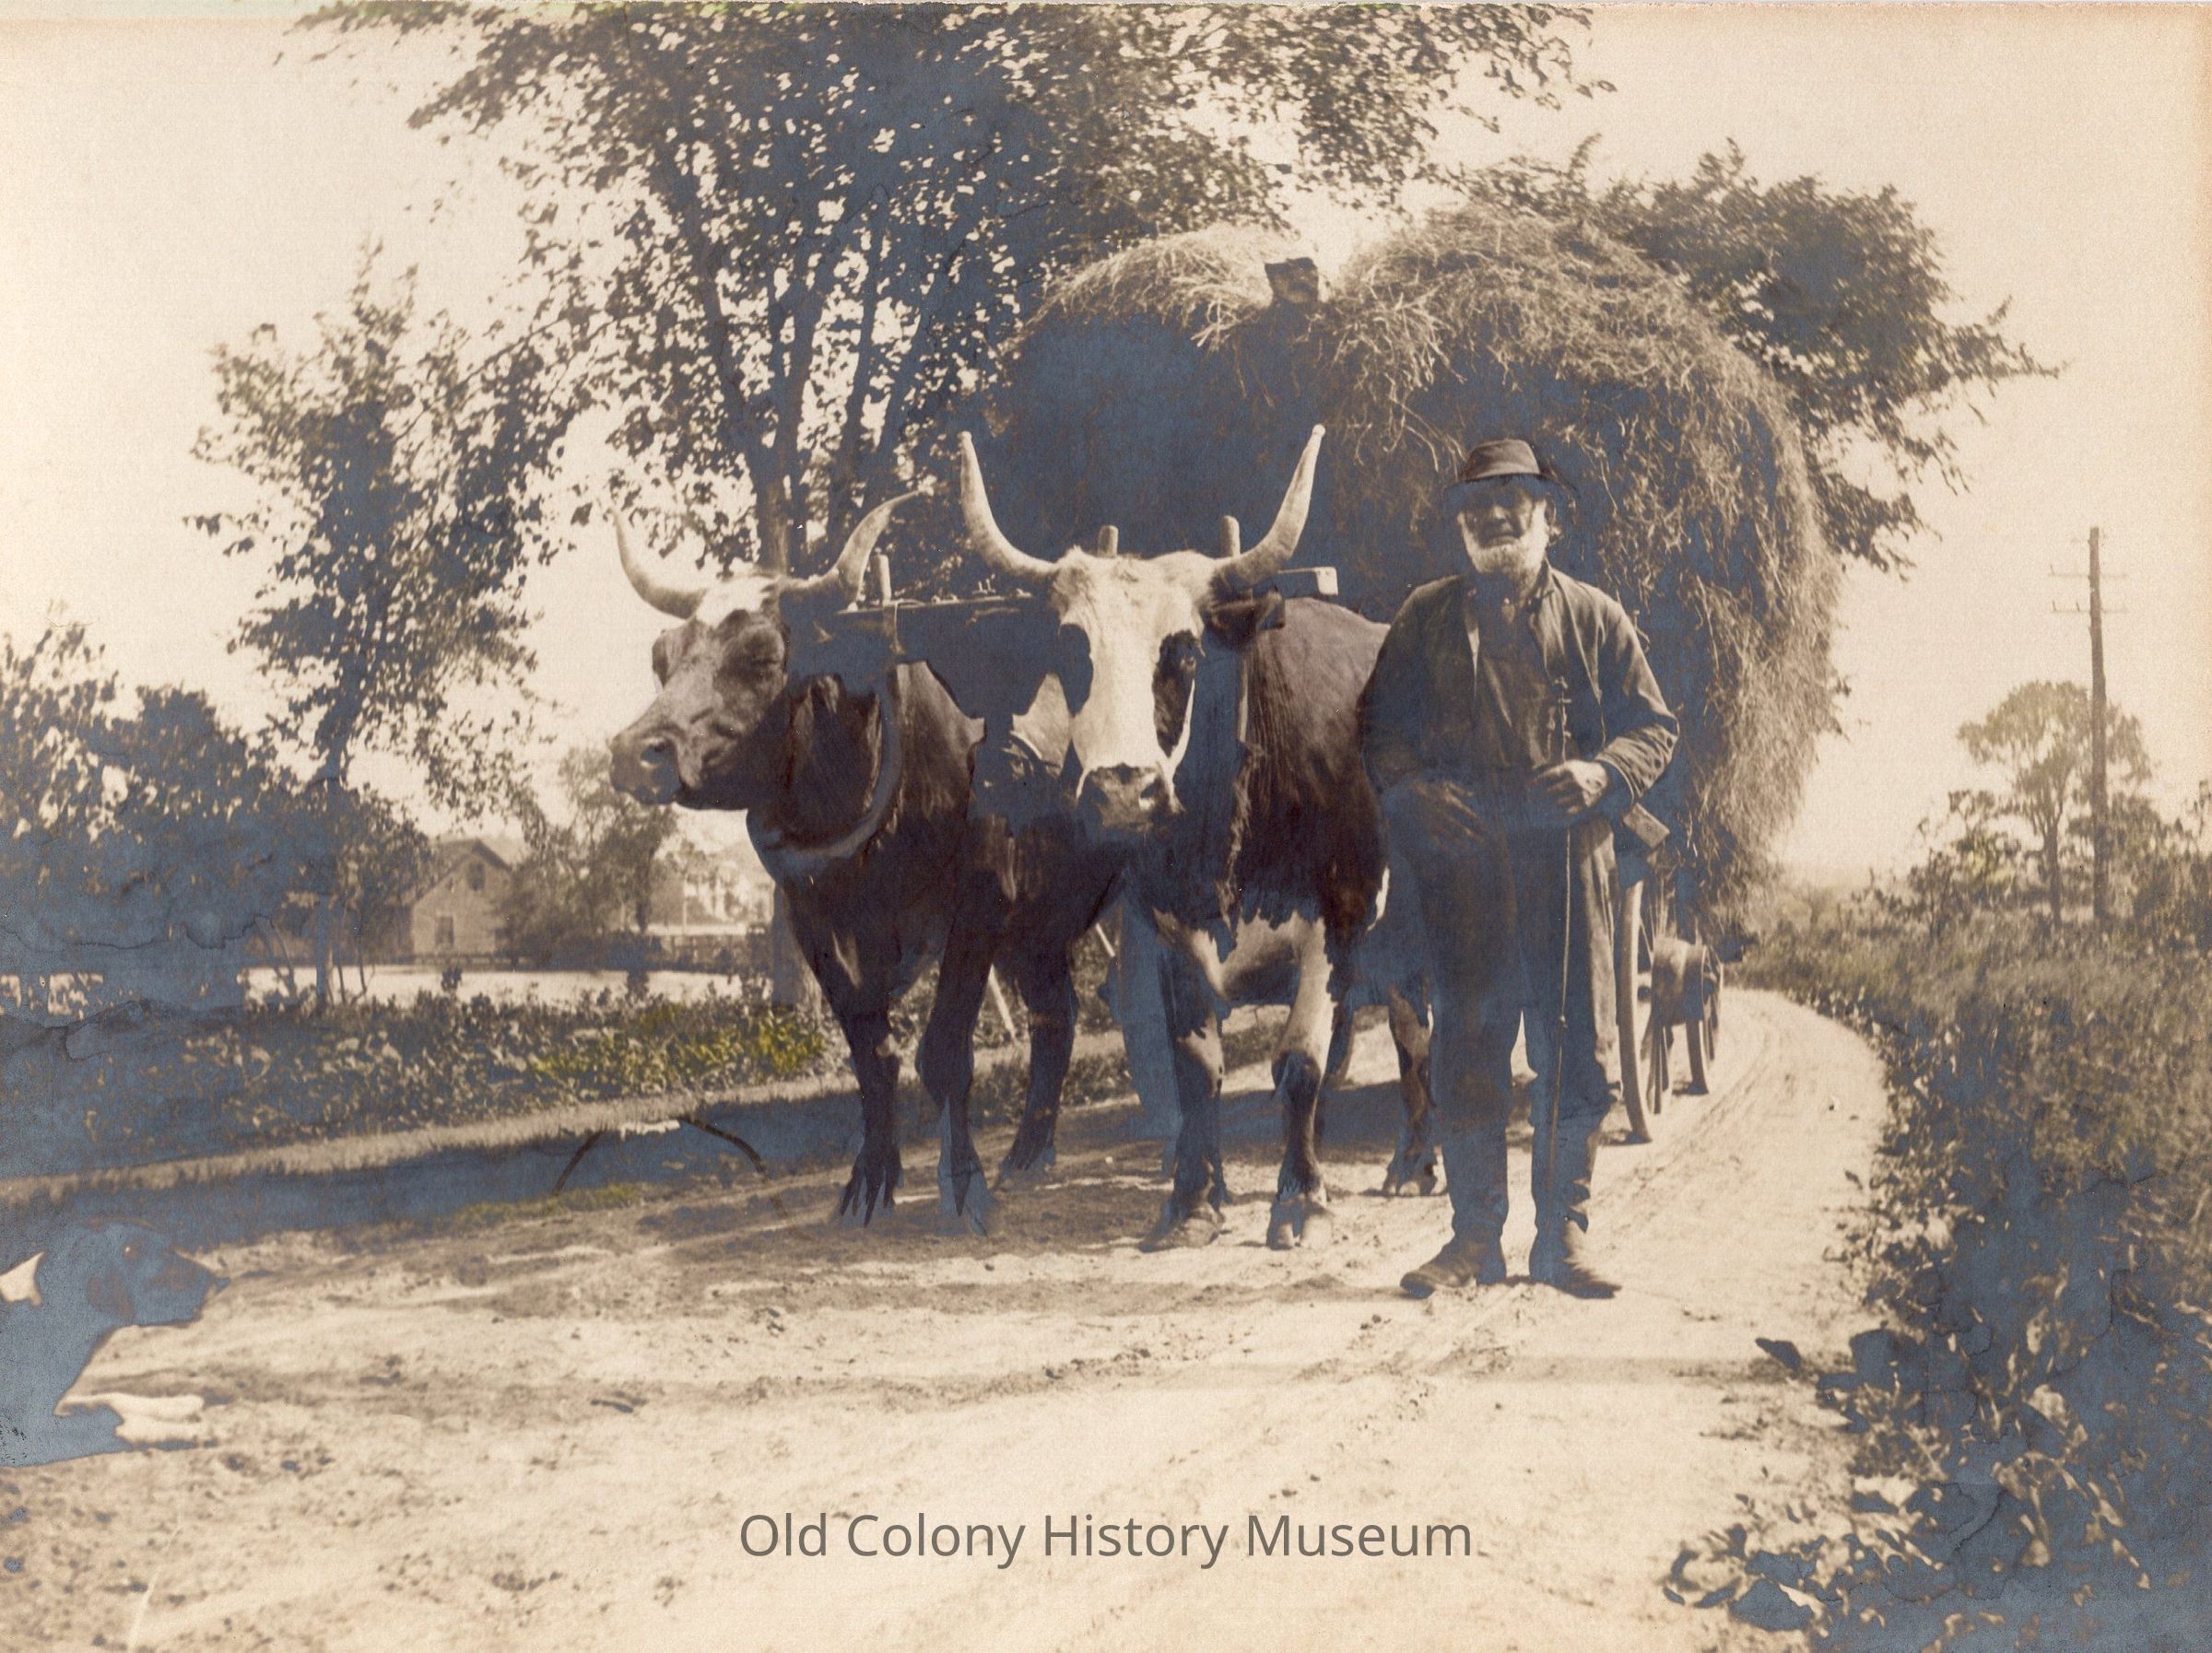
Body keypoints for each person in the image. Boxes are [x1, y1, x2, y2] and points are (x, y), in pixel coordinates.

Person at [1359, 438, 1677, 1299]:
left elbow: (1654, 726)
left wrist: (1602, 773)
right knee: (1468, 1044)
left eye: (1515, 501)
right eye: (1478, 505)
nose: (1496, 516)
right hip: (1466, 865)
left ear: (1549, 518)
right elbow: (1378, 730)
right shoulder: (1426, 618)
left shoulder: (1596, 617)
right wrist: (1413, 791)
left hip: (1569, 859)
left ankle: (1562, 1239)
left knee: (1576, 1048)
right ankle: (1473, 1241)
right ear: (1461, 525)